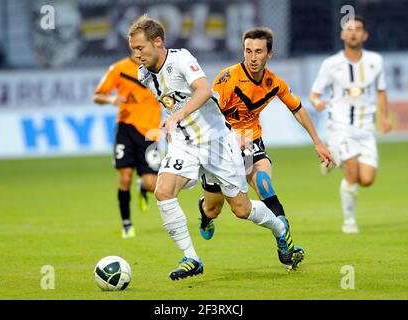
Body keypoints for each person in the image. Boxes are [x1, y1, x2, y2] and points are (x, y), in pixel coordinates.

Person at [128, 15, 321, 280]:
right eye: (133, 49)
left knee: (240, 209)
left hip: (217, 142)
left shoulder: (181, 59)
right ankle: (191, 258)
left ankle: (280, 230)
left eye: (140, 48)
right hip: (185, 144)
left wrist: (176, 117)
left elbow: (204, 91)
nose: (136, 54)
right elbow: (170, 101)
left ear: (157, 41)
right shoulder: (144, 74)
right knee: (163, 191)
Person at [197, 27, 335, 268]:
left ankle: (285, 242)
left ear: (269, 54)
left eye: (258, 51)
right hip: (219, 146)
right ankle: (205, 213)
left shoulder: (274, 83)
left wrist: (318, 142)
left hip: (251, 141)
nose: (252, 57)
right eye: (248, 51)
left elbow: (298, 109)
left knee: (263, 183)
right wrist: (231, 135)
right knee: (213, 209)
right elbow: (209, 114)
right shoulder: (228, 79)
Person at [309, 16, 392, 234]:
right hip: (341, 126)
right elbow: (314, 94)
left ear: (365, 35)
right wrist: (317, 103)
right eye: (349, 29)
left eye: (358, 29)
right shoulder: (331, 64)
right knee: (353, 175)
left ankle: (332, 159)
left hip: (366, 130)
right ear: (342, 35)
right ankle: (349, 222)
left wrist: (384, 117)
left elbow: (381, 91)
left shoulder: (375, 61)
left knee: (367, 179)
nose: (353, 33)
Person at [93, 53, 162, 239]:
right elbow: (97, 96)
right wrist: (111, 100)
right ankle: (127, 224)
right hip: (126, 128)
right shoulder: (119, 68)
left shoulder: (160, 65)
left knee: (152, 185)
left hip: (150, 132)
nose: (140, 50)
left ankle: (142, 187)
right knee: (125, 177)